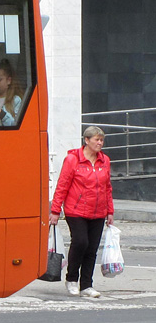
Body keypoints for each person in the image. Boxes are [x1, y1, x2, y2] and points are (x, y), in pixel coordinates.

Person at [50, 125, 115, 298]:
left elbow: (107, 187)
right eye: (96, 140)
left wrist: (110, 211)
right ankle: (71, 279)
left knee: (92, 249)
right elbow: (62, 185)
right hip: (76, 210)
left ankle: (86, 285)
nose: (100, 143)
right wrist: (55, 210)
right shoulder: (73, 159)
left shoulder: (105, 161)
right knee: (80, 242)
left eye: (102, 140)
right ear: (86, 140)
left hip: (98, 211)